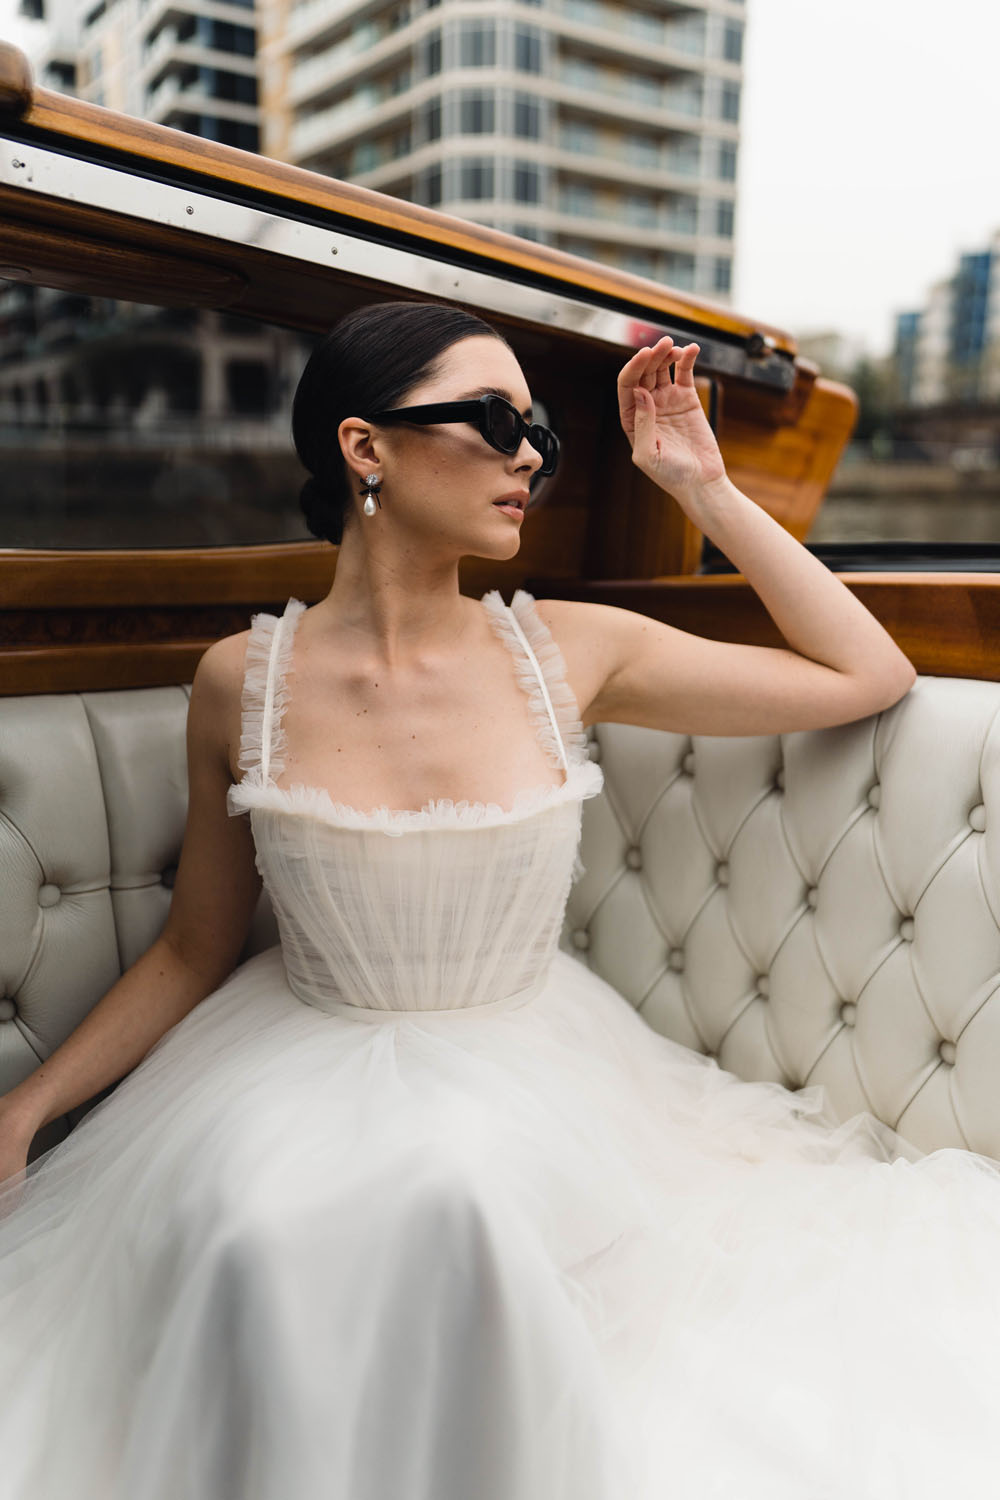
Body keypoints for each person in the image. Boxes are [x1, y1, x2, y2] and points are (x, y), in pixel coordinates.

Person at [0, 298, 997, 1500]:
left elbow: (866, 673)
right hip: (285, 1063)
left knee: (454, 1201)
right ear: (364, 449)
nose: (528, 451)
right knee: (258, 1239)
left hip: (537, 1077)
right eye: (490, 418)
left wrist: (702, 488)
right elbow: (192, 948)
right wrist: (28, 1111)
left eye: (538, 431)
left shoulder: (570, 649)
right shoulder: (237, 682)